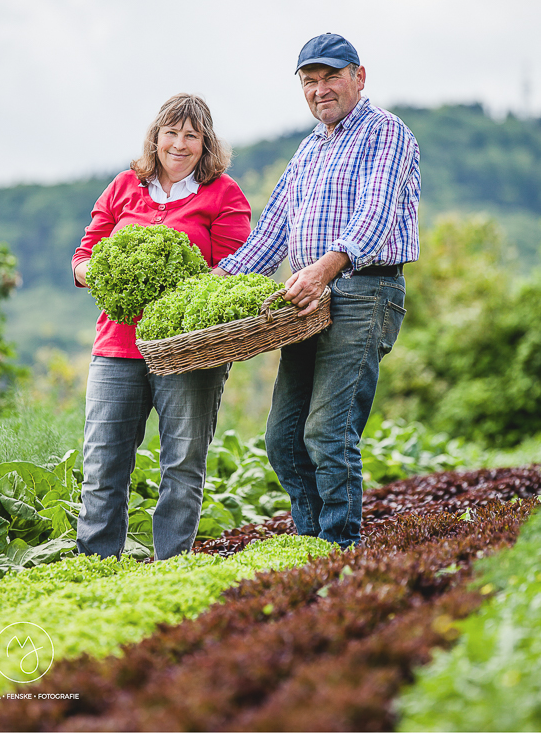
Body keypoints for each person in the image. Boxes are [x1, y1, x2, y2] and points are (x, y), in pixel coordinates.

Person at [214, 33, 420, 549]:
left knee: (328, 433)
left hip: (362, 292)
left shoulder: (386, 133)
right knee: (283, 440)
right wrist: (213, 287)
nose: (320, 89)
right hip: (307, 301)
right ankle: (311, 543)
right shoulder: (308, 150)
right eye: (310, 81)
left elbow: (376, 214)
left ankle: (339, 550)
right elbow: (270, 235)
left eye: (331, 77)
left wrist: (323, 270)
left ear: (359, 77)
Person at [72, 93, 251, 560]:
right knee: (102, 465)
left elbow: (233, 271)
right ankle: (95, 564)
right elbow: (83, 256)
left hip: (187, 350)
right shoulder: (124, 186)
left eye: (191, 135)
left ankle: (169, 566)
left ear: (205, 144)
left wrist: (179, 289)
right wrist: (104, 272)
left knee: (183, 464)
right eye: (171, 132)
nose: (179, 143)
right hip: (117, 347)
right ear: (156, 137)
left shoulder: (224, 194)